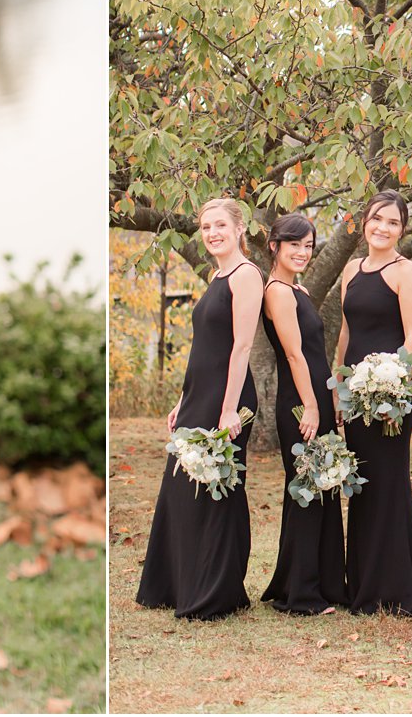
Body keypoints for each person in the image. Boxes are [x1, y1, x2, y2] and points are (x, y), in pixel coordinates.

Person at [136, 197, 262, 620]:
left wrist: (228, 410)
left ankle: (216, 591)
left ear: (239, 228)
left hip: (227, 397)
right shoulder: (216, 274)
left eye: (220, 225)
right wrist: (182, 399)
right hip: (199, 394)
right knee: (182, 489)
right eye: (206, 227)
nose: (212, 233)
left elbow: (241, 346)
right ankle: (176, 583)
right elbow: (204, 347)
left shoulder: (246, 275)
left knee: (215, 490)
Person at [334, 191, 412, 615]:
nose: (383, 227)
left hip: (390, 398)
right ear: (365, 223)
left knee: (388, 486)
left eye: (392, 222)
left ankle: (396, 591)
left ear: (402, 229)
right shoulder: (351, 269)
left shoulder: (406, 271)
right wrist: (338, 387)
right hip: (355, 396)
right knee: (363, 488)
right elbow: (345, 332)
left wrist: (393, 387)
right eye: (377, 219)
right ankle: (363, 584)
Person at [259, 213, 345, 614]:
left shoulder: (297, 290)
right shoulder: (277, 291)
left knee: (319, 490)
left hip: (317, 397)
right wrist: (311, 405)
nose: (303, 252)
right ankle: (302, 596)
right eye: (294, 244)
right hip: (300, 401)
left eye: (309, 245)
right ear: (275, 246)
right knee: (307, 491)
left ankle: (316, 585)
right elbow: (294, 354)